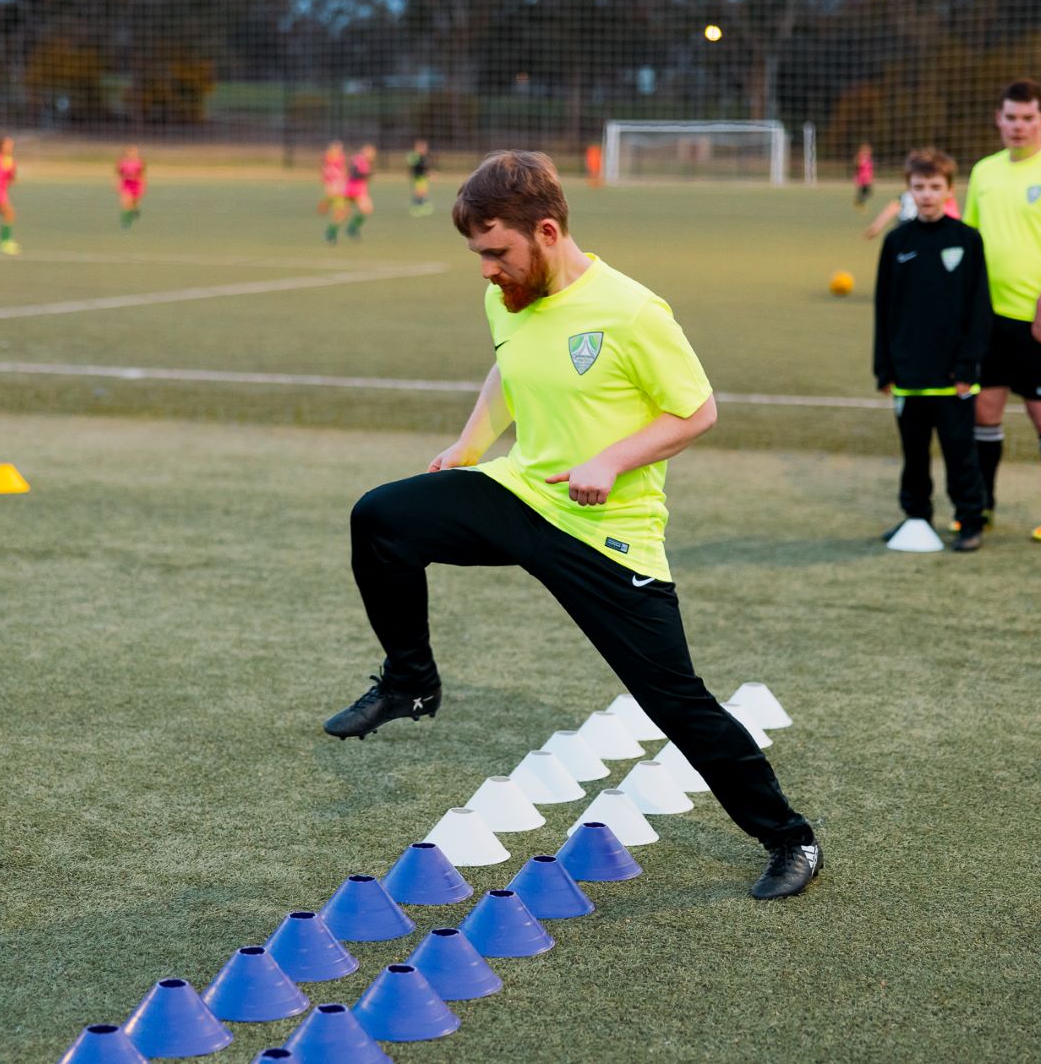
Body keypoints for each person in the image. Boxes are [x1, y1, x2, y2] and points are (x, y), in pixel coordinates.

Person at [325, 150, 822, 901]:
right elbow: (508, 367)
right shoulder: (508, 298)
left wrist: (612, 461)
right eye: (478, 255)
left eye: (497, 252)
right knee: (382, 519)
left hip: (604, 529)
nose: (487, 270)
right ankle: (410, 683)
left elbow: (697, 411)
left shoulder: (631, 311)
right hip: (521, 492)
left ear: (547, 231)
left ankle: (790, 838)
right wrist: (469, 446)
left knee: (674, 701)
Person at [962, 79, 1041, 544]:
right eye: (1010, 118)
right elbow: (970, 241)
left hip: (1037, 321)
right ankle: (982, 506)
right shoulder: (983, 173)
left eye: (1027, 118)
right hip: (985, 319)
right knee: (985, 409)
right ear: (998, 119)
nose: (1018, 126)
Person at [872, 149, 992, 551]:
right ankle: (916, 516)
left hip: (952, 378)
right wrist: (883, 367)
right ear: (908, 190)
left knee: (961, 454)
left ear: (949, 190)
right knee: (914, 456)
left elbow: (979, 311)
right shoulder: (896, 243)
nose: (926, 194)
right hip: (908, 373)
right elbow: (884, 309)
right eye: (919, 187)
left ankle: (970, 519)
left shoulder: (967, 240)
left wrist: (968, 367)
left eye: (935, 187)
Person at [864, 183, 960, 239]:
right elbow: (893, 207)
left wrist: (876, 226)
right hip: (910, 227)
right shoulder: (937, 197)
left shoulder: (912, 195)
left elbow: (893, 207)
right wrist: (877, 226)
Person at [335, 143, 376, 242]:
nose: (373, 155)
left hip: (360, 190)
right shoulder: (358, 159)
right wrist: (365, 175)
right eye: (371, 152)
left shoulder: (367, 162)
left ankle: (352, 228)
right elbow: (354, 173)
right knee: (344, 212)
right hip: (352, 189)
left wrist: (367, 175)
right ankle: (332, 232)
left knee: (367, 209)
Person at [117, 144, 146, 230]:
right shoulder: (122, 163)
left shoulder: (139, 163)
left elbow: (142, 176)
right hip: (126, 184)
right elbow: (119, 175)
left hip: (136, 184)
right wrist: (117, 184)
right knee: (125, 203)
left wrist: (143, 187)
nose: (132, 154)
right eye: (130, 152)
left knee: (133, 203)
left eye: (134, 152)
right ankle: (126, 222)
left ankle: (134, 210)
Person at [318, 140, 347, 224]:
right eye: (337, 148)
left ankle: (339, 211)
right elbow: (325, 167)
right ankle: (325, 205)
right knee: (332, 195)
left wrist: (344, 176)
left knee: (339, 195)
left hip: (338, 178)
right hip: (331, 178)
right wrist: (324, 176)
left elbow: (342, 167)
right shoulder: (328, 156)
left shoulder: (340, 156)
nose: (339, 150)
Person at [407, 139, 433, 216]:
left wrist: (428, 173)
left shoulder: (424, 157)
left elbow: (425, 168)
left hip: (423, 178)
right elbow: (414, 165)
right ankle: (416, 207)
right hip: (418, 177)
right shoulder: (415, 156)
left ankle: (422, 206)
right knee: (419, 192)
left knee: (423, 192)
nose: (425, 150)